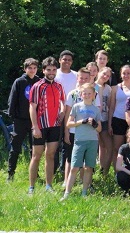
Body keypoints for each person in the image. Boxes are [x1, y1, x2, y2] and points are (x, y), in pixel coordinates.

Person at [28, 56, 65, 194]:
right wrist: (35, 127)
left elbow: (63, 101)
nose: (51, 72)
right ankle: (31, 187)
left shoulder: (58, 85)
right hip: (40, 126)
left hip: (54, 125)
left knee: (50, 155)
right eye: (49, 69)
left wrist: (62, 111)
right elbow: (32, 107)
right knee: (36, 156)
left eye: (54, 69)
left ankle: (49, 186)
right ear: (43, 70)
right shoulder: (37, 86)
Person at [61, 83, 102, 200]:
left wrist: (94, 124)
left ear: (94, 95)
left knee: (88, 167)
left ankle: (84, 192)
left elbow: (99, 128)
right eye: (85, 93)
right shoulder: (77, 107)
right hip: (79, 141)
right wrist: (81, 122)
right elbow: (69, 124)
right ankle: (67, 193)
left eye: (90, 93)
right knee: (74, 167)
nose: (87, 95)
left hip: (92, 141)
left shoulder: (96, 110)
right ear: (81, 94)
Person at [7, 58, 40, 181]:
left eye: (34, 68)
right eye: (29, 68)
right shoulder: (19, 81)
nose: (32, 70)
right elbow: (12, 99)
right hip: (20, 120)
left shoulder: (39, 82)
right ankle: (11, 173)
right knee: (15, 148)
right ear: (25, 69)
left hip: (34, 121)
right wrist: (13, 116)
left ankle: (35, 173)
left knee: (34, 149)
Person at [109, 65, 130, 169]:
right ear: (121, 75)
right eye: (124, 73)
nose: (126, 75)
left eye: (128, 73)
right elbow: (111, 107)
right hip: (118, 119)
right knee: (117, 148)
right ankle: (117, 171)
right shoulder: (116, 88)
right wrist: (110, 124)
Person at [96, 67, 113, 174]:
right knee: (96, 146)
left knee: (109, 146)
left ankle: (104, 171)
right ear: (99, 73)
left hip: (105, 119)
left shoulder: (109, 89)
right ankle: (92, 171)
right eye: (104, 73)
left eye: (108, 75)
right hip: (94, 120)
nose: (105, 76)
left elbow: (110, 106)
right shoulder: (93, 86)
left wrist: (110, 123)